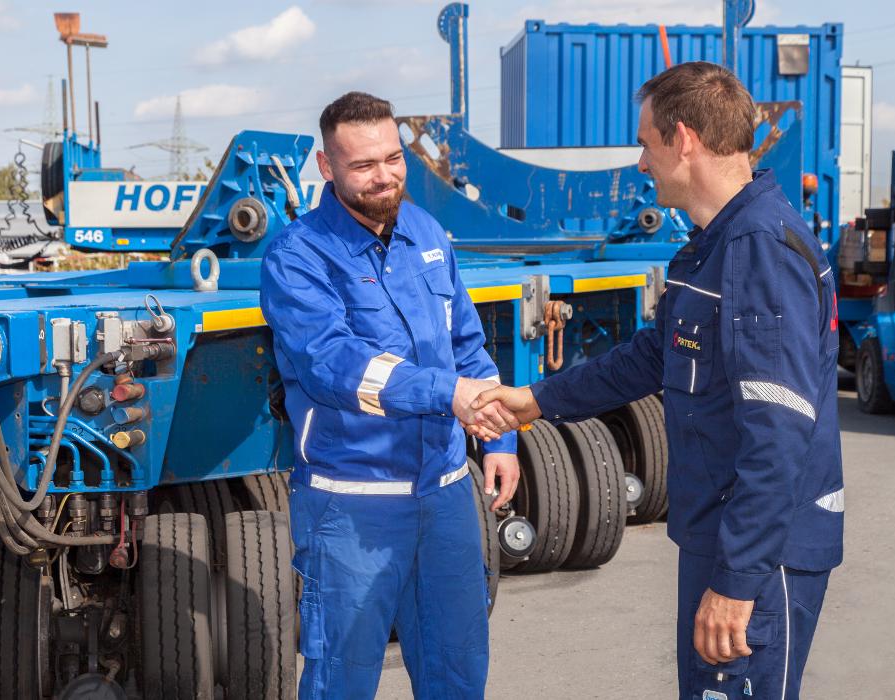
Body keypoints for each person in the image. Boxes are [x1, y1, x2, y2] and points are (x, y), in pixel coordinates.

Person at [469, 62, 843, 700]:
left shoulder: (759, 251)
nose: (642, 163)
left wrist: (736, 582)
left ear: (684, 139)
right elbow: (652, 357)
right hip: (726, 539)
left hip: (761, 556)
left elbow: (778, 434)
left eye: (646, 144)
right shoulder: (715, 245)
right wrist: (532, 399)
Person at [261, 91, 520, 700]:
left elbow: (466, 345)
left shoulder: (426, 232)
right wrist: (447, 392)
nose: (384, 176)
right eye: (363, 165)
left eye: (393, 158)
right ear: (326, 167)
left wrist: (500, 439)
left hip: (446, 495)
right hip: (354, 505)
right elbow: (334, 365)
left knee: (458, 672)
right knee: (342, 682)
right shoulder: (297, 256)